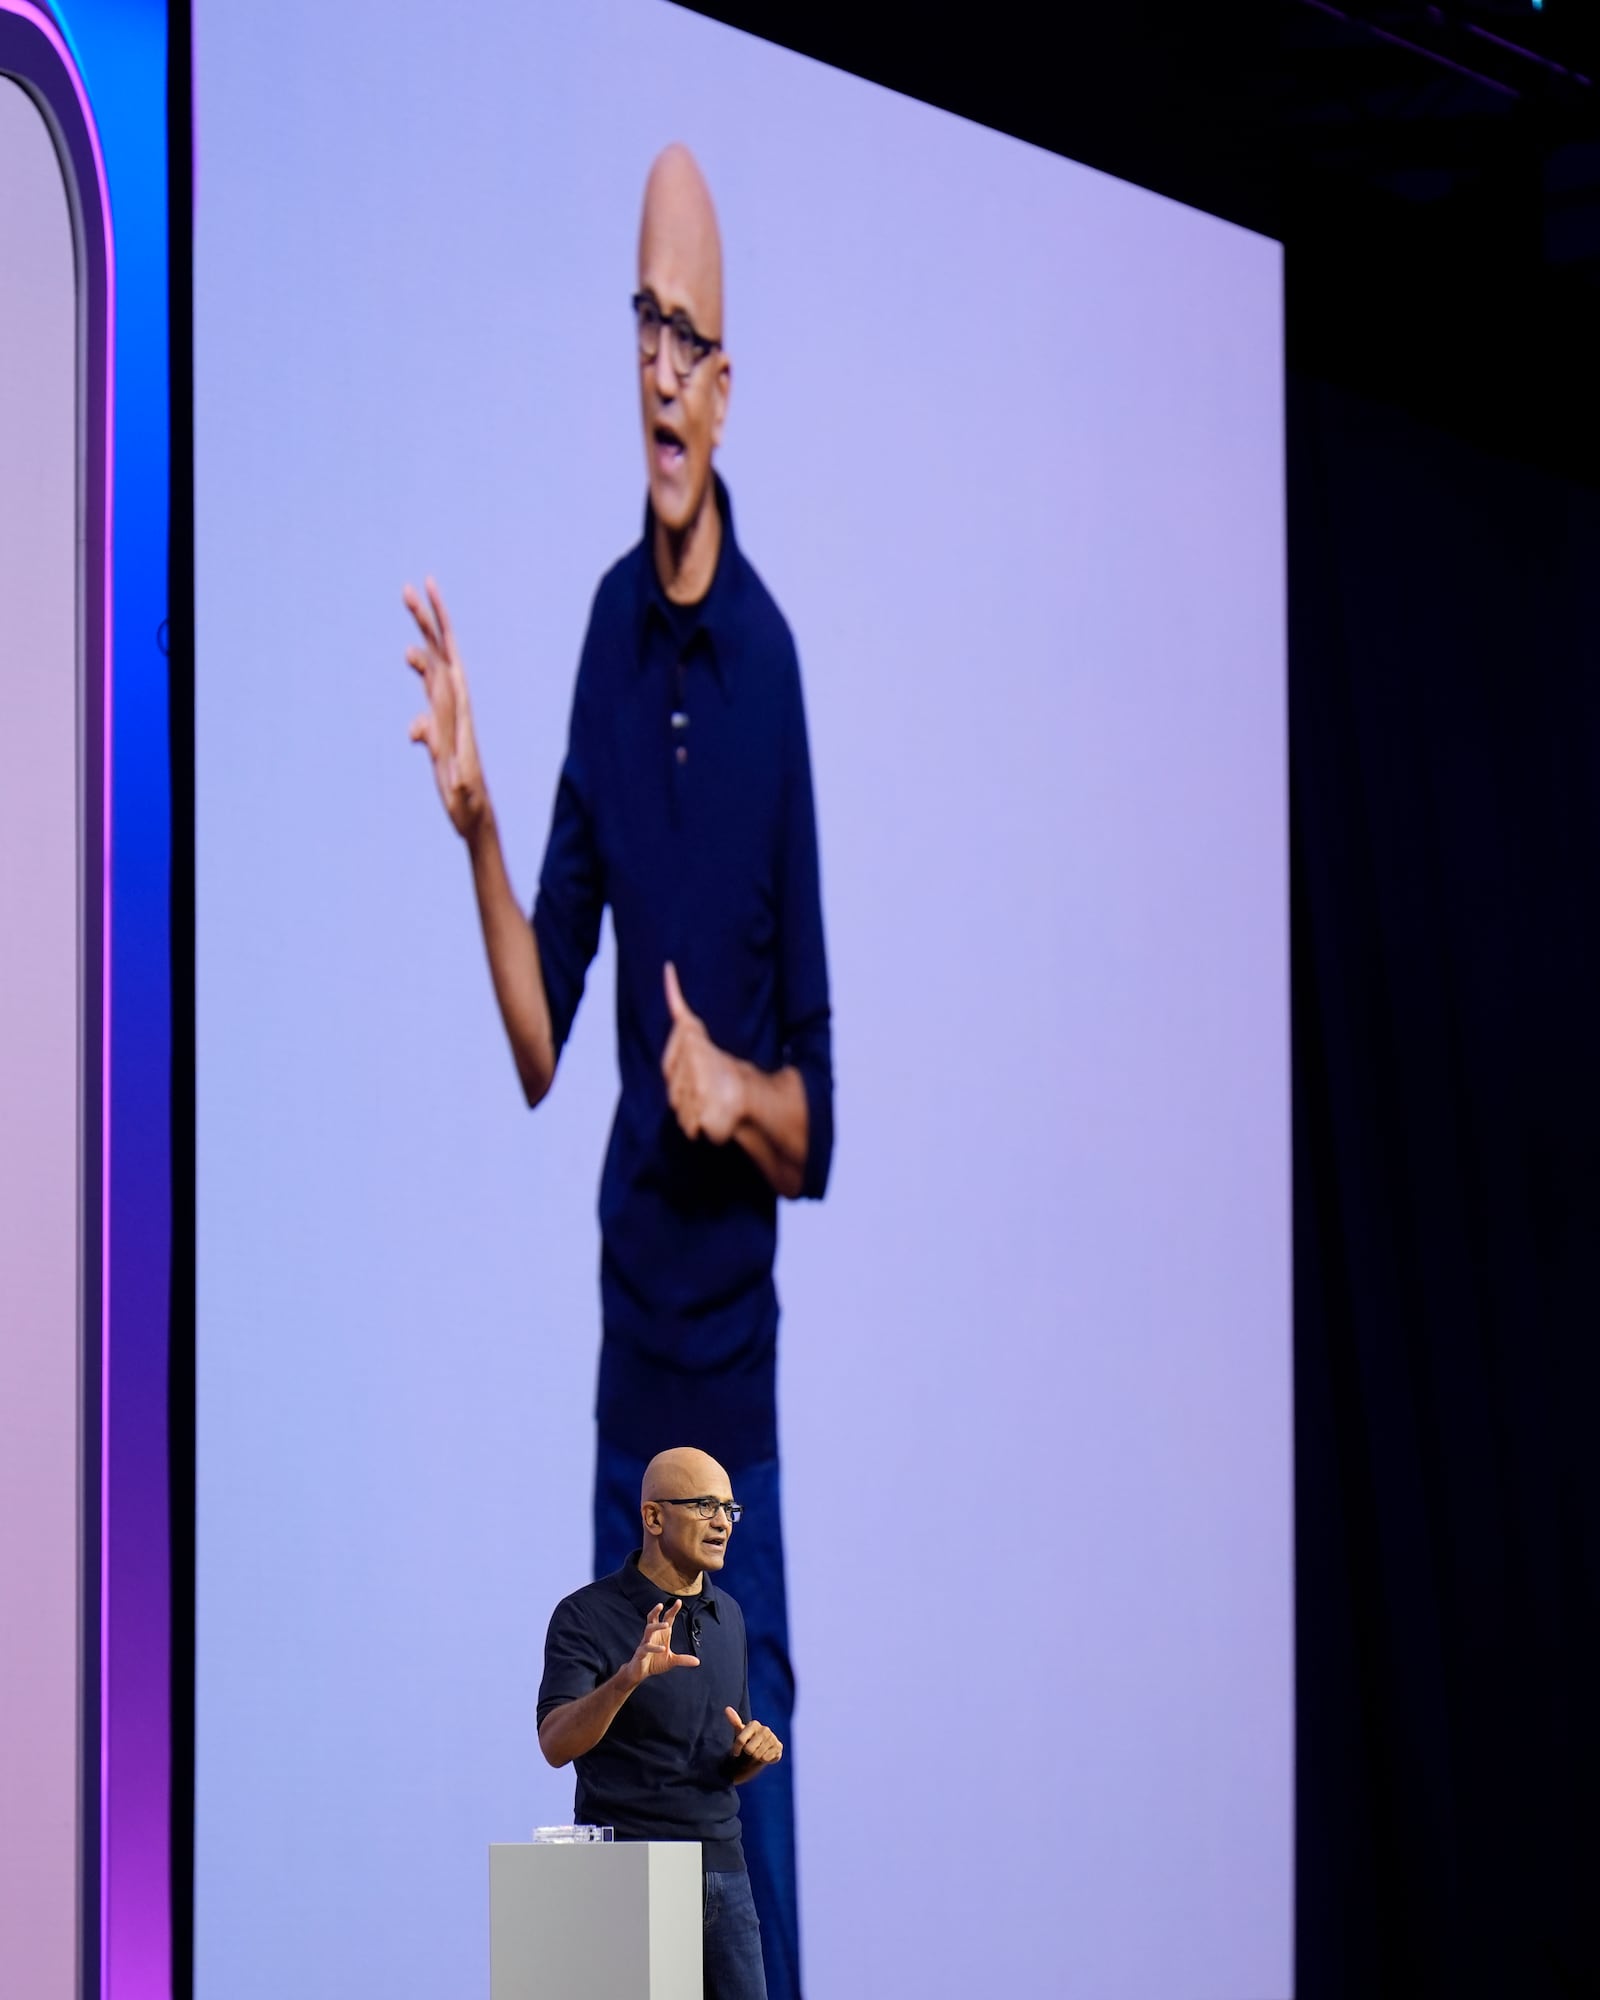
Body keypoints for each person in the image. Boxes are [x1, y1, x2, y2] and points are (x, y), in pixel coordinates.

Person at [402, 142, 830, 2000]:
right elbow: (530, 1040)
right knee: (610, 1939)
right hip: (619, 1394)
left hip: (725, 1420)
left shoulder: (772, 668)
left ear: (729, 389)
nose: (661, 366)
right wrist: (483, 824)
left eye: (692, 336)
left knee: (747, 1904)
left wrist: (729, 1091)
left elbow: (822, 1119)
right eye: (641, 325)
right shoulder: (593, 635)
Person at [539, 1447, 781, 2000]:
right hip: (628, 1875)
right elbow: (555, 1744)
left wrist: (752, 1753)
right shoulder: (585, 1615)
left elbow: (721, 1764)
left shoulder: (731, 1616)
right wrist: (626, 1679)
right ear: (653, 1517)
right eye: (704, 1506)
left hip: (723, 1873)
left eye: (728, 1508)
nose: (723, 1522)